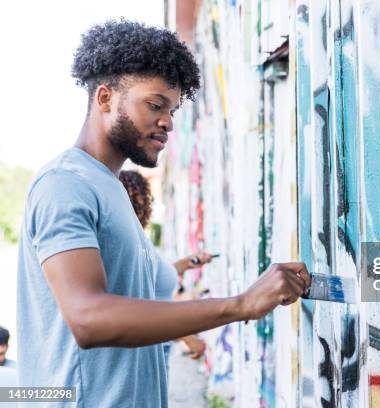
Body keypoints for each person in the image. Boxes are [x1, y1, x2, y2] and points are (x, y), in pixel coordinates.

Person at [17, 20, 310, 407]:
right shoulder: (65, 184)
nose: (168, 122)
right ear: (105, 98)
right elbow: (88, 318)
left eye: (172, 109)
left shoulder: (110, 188)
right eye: (155, 105)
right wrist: (239, 305)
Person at [118, 169, 208, 368]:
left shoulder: (139, 239)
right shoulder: (130, 243)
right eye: (143, 196)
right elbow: (141, 306)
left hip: (156, 349)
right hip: (146, 354)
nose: (146, 202)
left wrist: (186, 263)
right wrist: (186, 336)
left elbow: (154, 275)